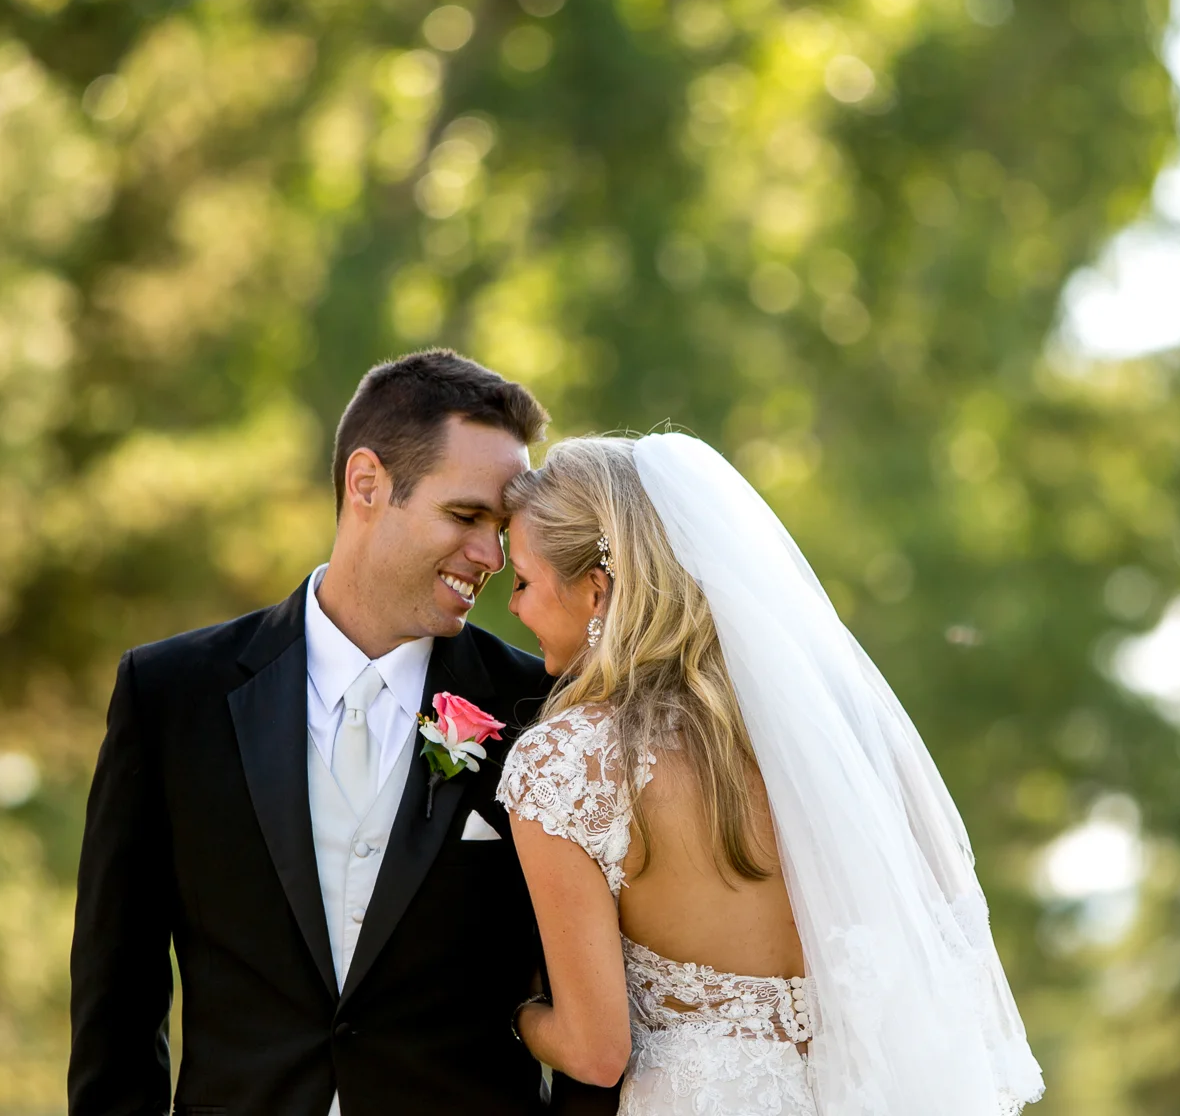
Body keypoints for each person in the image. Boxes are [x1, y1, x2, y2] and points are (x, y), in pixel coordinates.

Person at [68, 350, 619, 1116]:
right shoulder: (172, 693)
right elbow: (117, 994)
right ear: (366, 484)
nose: (492, 557)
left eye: (501, 529)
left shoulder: (546, 712)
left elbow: (589, 1005)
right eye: (466, 517)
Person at [495, 432, 1045, 1115]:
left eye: (523, 582)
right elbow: (945, 963)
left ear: (597, 591)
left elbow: (595, 1052)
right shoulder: (834, 738)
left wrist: (514, 1012)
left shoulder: (569, 763)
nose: (513, 606)